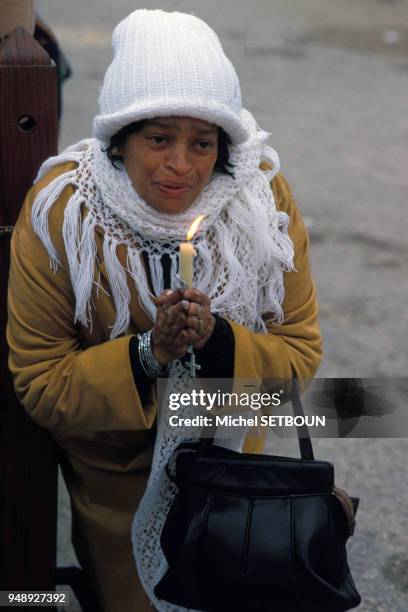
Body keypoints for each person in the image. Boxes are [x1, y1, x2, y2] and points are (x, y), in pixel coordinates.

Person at [6, 9, 322, 612]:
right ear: (118, 141)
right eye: (158, 139)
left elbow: (300, 362)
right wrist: (152, 354)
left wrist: (219, 341)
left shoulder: (260, 203)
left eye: (203, 143)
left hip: (234, 471)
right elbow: (41, 383)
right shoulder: (63, 215)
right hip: (113, 471)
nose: (181, 165)